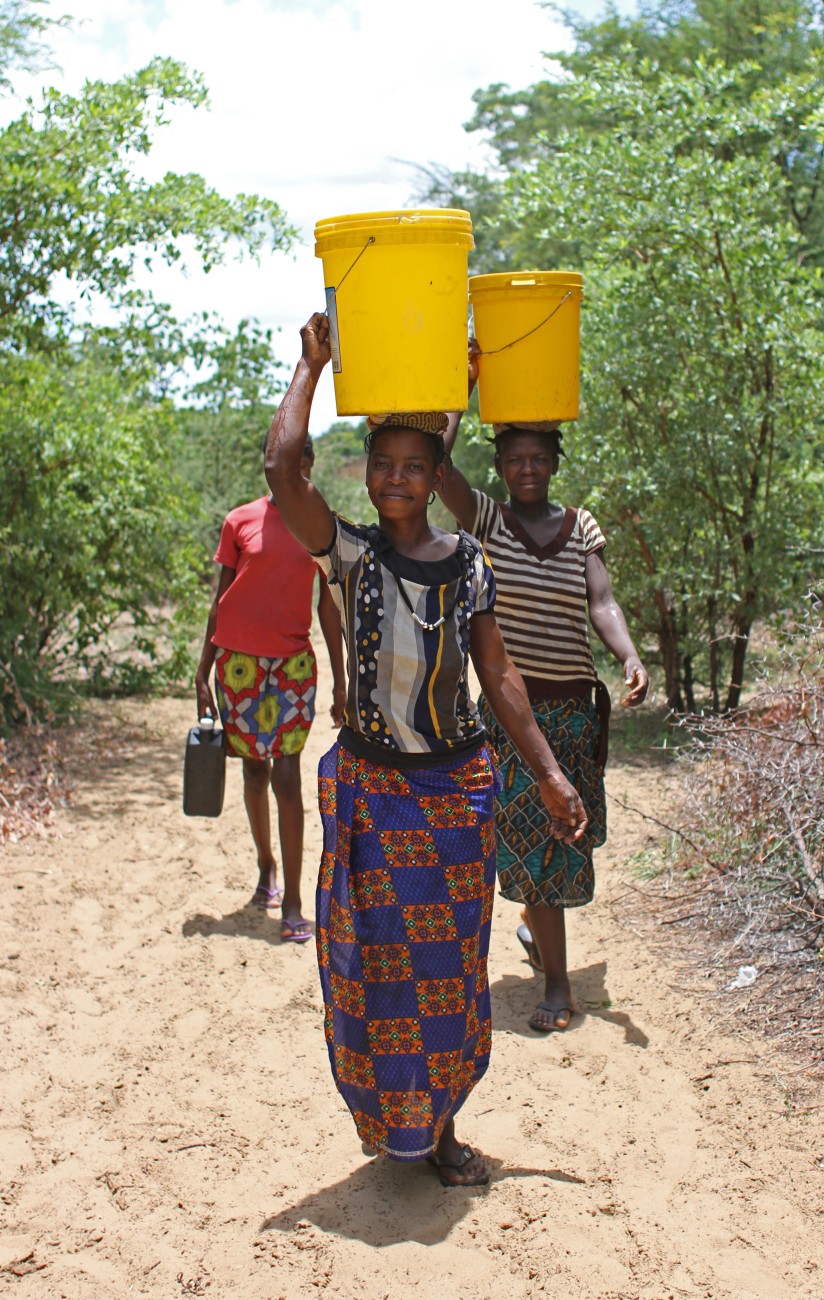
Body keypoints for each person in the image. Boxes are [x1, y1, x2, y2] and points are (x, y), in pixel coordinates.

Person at [264, 313, 588, 1188]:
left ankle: (442, 1124)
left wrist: (552, 774)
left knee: (449, 969)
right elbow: (280, 467)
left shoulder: (470, 562)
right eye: (383, 465)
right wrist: (310, 367)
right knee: (372, 964)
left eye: (415, 467)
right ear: (365, 476)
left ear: (434, 477)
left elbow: (501, 674)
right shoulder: (351, 556)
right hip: (373, 790)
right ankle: (389, 1123)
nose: (397, 479)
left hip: (453, 792)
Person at [438, 341, 648, 1032]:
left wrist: (627, 656)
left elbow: (602, 601)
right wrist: (462, 391)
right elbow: (435, 468)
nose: (526, 468)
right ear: (499, 468)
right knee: (538, 841)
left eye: (538, 458)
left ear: (554, 463)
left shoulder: (579, 524)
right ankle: (558, 986)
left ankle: (538, 935)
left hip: (573, 714)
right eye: (514, 459)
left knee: (560, 841)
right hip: (510, 717)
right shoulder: (488, 522)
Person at [195, 436, 347, 943]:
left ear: (306, 464)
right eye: (271, 460)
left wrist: (342, 680)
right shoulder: (240, 521)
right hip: (237, 664)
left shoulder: (317, 524)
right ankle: (266, 870)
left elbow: (328, 606)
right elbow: (221, 600)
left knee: (287, 776)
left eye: (291, 459)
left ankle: (297, 901)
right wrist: (202, 670)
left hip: (292, 668)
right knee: (255, 773)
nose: (277, 468)